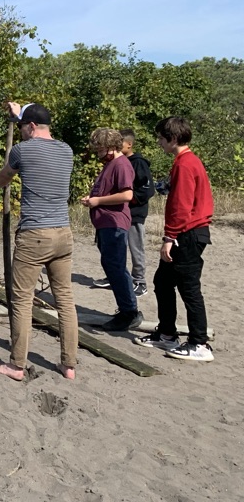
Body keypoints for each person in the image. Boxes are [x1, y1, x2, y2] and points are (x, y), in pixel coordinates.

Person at [0, 103, 77, 381]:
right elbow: (35, 124)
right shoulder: (67, 150)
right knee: (65, 299)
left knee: (22, 300)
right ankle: (69, 364)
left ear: (30, 127)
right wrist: (19, 114)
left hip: (34, 235)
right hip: (63, 233)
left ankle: (16, 365)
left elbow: (6, 175)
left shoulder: (21, 150)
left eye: (23, 127)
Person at [134, 117, 214, 362]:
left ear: (173, 138)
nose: (159, 142)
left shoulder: (186, 164)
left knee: (189, 289)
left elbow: (181, 205)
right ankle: (167, 333)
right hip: (187, 232)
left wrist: (169, 237)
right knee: (163, 281)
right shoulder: (184, 161)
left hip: (188, 233)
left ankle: (199, 343)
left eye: (161, 138)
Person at [80, 128, 141, 332]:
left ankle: (129, 312)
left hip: (114, 223)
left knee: (115, 266)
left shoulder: (121, 164)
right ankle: (127, 309)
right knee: (111, 265)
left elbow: (126, 195)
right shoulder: (110, 164)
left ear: (111, 147)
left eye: (100, 149)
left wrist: (98, 201)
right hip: (105, 223)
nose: (98, 154)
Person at [92, 129, 154, 296]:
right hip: (114, 215)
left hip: (134, 213)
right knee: (112, 250)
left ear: (128, 144)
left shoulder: (136, 163)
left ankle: (139, 280)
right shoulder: (114, 163)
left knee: (135, 247)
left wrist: (130, 201)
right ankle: (114, 277)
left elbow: (145, 190)